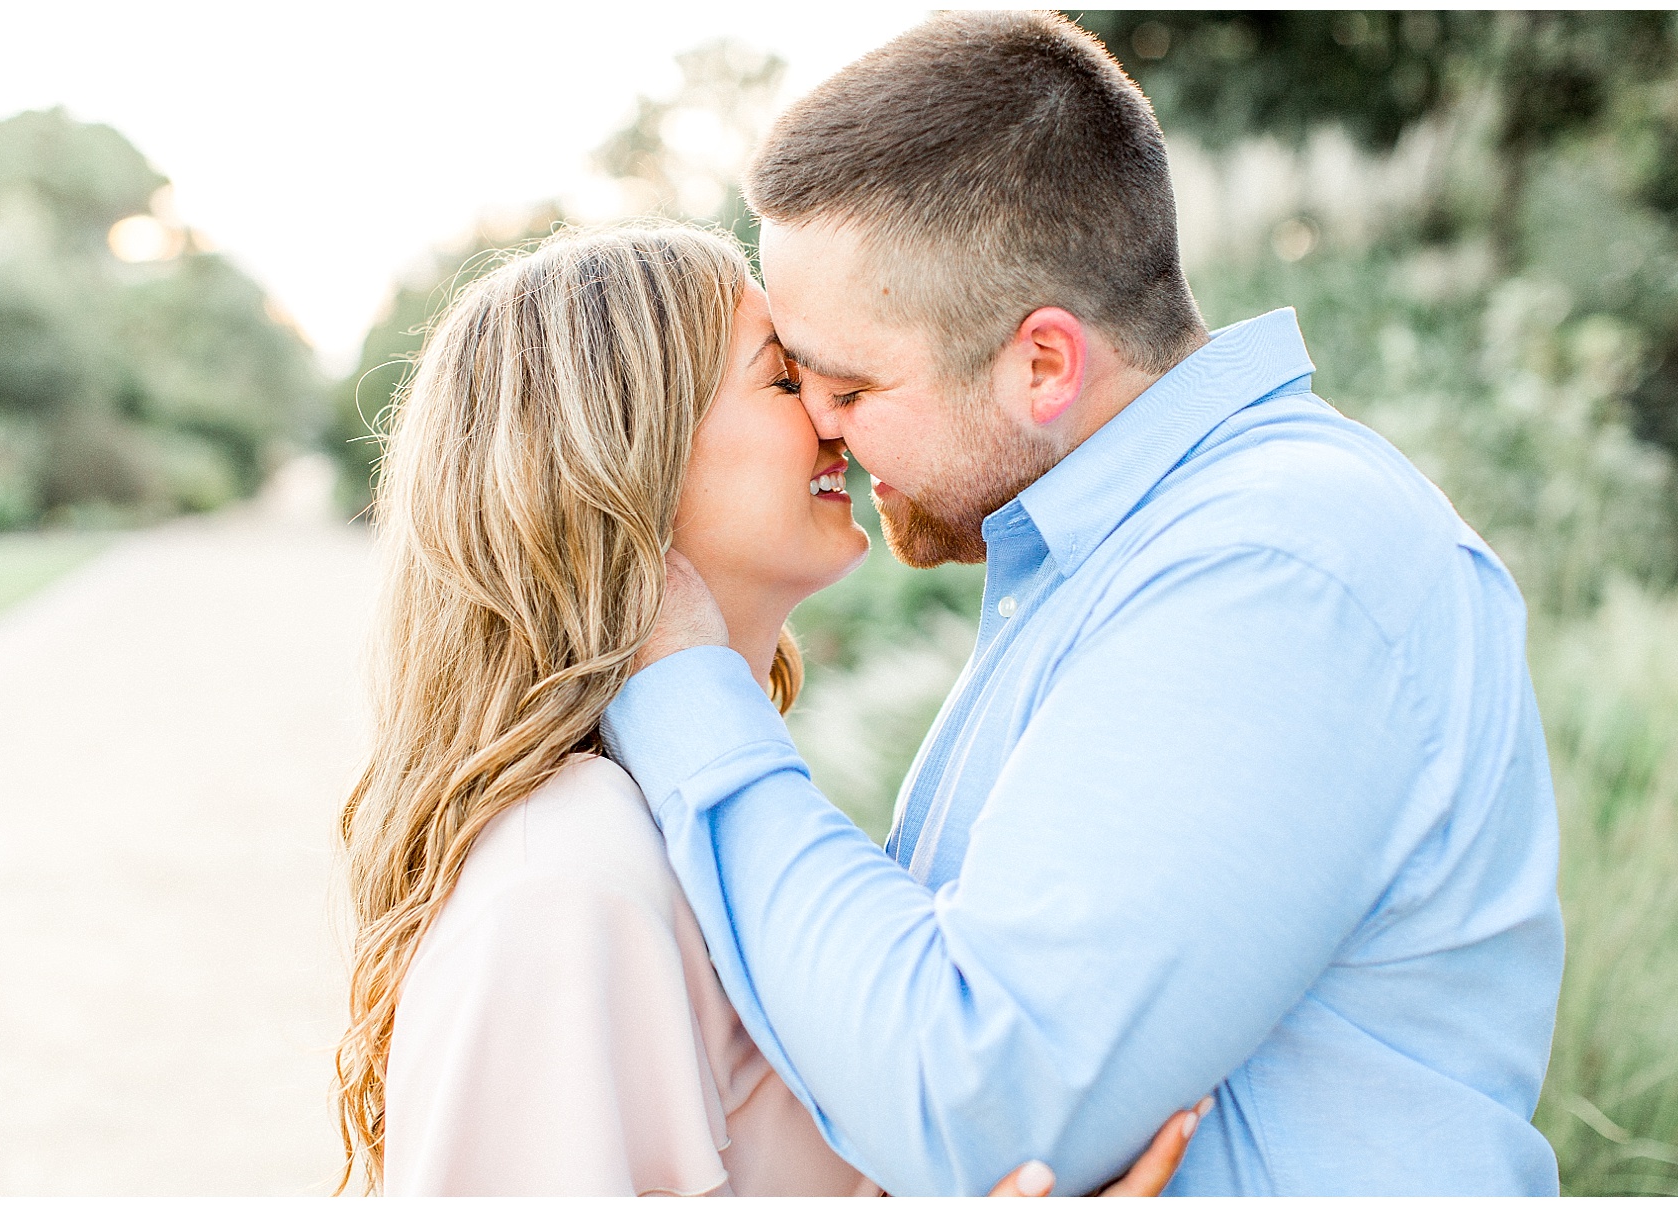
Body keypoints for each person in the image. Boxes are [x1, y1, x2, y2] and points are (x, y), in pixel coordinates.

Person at [605, 11, 1566, 1198]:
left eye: (849, 385)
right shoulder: (1107, 561)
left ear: (1044, 365)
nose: (822, 427)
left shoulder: (1276, 566)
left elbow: (970, 1105)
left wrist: (687, 691)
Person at [331, 224, 1205, 1195]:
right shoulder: (568, 875)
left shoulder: (687, 811)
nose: (838, 416)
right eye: (787, 381)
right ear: (631, 454)